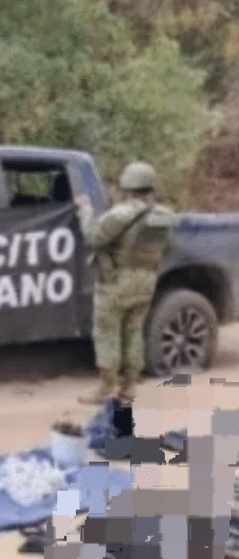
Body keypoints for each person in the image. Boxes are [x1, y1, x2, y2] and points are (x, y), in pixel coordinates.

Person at [76, 161, 176, 405]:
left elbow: (93, 236)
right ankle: (130, 386)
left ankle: (106, 385)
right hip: (146, 281)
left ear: (126, 187)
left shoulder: (121, 214)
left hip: (116, 282)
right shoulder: (164, 216)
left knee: (107, 332)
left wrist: (85, 210)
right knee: (134, 331)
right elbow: (169, 248)